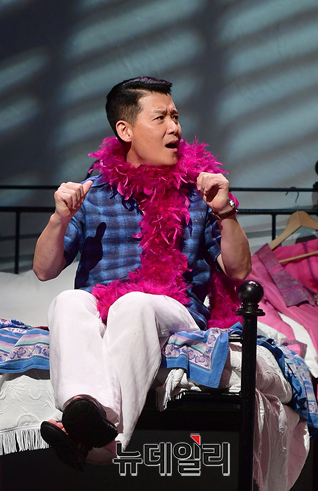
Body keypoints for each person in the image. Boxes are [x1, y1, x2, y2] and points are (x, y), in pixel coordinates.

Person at [33, 76, 251, 470]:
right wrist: (59, 218)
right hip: (104, 306)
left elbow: (238, 270)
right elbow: (44, 270)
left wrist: (225, 211)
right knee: (67, 300)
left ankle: (102, 435)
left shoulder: (199, 192)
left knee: (133, 305)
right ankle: (85, 419)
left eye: (175, 117)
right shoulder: (93, 193)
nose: (175, 128)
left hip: (175, 311)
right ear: (125, 130)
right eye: (160, 118)